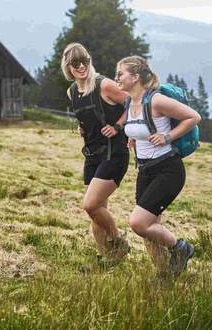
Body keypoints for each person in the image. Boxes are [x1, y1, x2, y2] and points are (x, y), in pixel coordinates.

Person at [115, 55, 201, 278]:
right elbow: (139, 128)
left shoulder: (155, 100)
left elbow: (193, 117)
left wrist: (168, 137)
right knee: (150, 230)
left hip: (168, 169)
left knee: (138, 223)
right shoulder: (128, 101)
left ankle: (181, 248)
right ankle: (164, 277)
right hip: (145, 171)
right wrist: (134, 139)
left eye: (120, 73)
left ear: (135, 77)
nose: (117, 78)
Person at [62, 43, 130, 265]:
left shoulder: (105, 85)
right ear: (68, 67)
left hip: (114, 153)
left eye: (85, 61)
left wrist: (118, 126)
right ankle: (104, 258)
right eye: (75, 63)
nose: (81, 66)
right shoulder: (72, 92)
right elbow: (86, 116)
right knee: (97, 210)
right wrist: (83, 127)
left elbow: (134, 103)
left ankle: (119, 241)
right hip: (92, 155)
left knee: (90, 205)